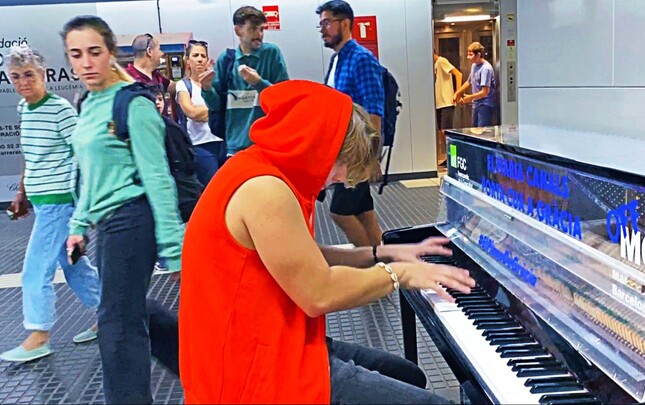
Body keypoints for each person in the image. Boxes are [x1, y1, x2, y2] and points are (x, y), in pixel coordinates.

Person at [179, 79, 475, 404]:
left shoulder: (264, 169)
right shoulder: (265, 190)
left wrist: (384, 253)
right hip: (255, 371)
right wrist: (400, 275)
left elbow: (307, 258)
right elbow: (318, 293)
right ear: (319, 146)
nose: (339, 179)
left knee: (409, 375)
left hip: (272, 340)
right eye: (342, 166)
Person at [61, 15, 185, 404]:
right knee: (129, 308)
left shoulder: (133, 104)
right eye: (76, 55)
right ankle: (204, 365)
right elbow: (90, 174)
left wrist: (175, 250)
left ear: (111, 52)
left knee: (116, 325)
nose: (86, 63)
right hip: (109, 224)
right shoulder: (87, 102)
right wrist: (79, 224)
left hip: (134, 219)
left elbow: (158, 179)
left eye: (94, 52)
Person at [0, 45, 100, 363]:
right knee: (73, 266)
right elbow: (29, 155)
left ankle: (39, 335)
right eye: (15, 77)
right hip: (43, 202)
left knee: (34, 270)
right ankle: (111, 315)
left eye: (28, 75)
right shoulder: (23, 109)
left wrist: (87, 203)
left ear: (42, 74)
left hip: (60, 204)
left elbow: (84, 154)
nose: (22, 83)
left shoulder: (60, 110)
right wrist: (22, 192)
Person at [317, 0, 384, 248]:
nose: (323, 29)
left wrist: (372, 157)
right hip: (343, 151)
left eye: (327, 23)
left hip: (356, 154)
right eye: (321, 24)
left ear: (345, 23)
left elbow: (374, 109)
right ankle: (385, 265)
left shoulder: (361, 59)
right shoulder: (337, 60)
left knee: (340, 212)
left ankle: (368, 266)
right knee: (364, 212)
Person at [200, 6, 288, 156]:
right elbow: (216, 105)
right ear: (238, 31)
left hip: (267, 146)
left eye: (262, 29)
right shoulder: (226, 60)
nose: (259, 35)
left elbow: (284, 98)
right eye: (253, 29)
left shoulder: (272, 53)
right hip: (235, 147)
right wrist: (207, 89)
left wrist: (258, 82)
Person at [175, 40, 224, 185]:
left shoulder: (216, 84)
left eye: (203, 56)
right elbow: (192, 113)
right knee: (213, 186)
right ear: (188, 60)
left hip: (222, 143)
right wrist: (216, 111)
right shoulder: (183, 85)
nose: (200, 59)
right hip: (200, 146)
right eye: (195, 55)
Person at [454, 42, 496, 127]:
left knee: (482, 132)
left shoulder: (486, 68)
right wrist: (457, 93)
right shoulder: (474, 66)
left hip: (485, 105)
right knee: (475, 130)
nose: (468, 57)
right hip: (476, 103)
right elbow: (469, 81)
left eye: (471, 55)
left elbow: (485, 92)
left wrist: (470, 98)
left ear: (478, 55)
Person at [433, 52, 462, 166]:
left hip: (446, 102)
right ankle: (448, 157)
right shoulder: (436, 64)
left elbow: (458, 74)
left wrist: (457, 93)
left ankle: (453, 157)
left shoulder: (441, 61)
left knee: (446, 131)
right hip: (439, 103)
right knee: (441, 132)